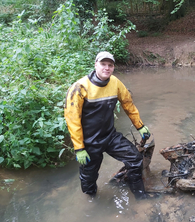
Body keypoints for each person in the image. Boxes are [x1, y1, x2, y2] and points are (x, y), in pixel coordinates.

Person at [64, 51, 151, 199]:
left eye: (110, 65)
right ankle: (91, 201)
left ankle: (140, 196)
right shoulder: (80, 87)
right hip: (89, 142)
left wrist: (140, 126)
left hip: (110, 136)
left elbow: (128, 104)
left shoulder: (115, 82)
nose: (107, 68)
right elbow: (72, 120)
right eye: (103, 64)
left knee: (135, 159)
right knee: (89, 177)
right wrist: (79, 148)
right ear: (95, 65)